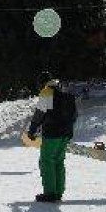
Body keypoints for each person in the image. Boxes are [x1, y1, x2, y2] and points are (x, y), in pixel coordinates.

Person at [26, 74, 78, 202]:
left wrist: (32, 131)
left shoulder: (47, 92)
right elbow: (75, 115)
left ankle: (50, 193)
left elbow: (40, 114)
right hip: (66, 133)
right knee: (58, 161)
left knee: (46, 161)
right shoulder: (64, 91)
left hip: (52, 133)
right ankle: (58, 192)